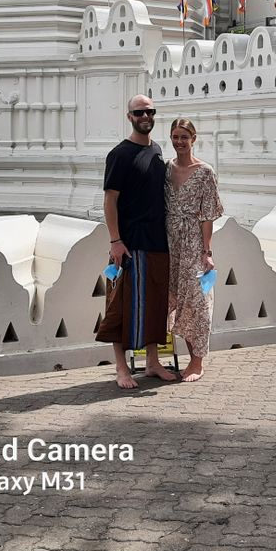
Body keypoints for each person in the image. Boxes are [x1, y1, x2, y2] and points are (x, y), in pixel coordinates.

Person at [95, 94, 177, 389]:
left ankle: (153, 363)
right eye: (140, 112)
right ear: (129, 117)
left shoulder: (156, 150)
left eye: (150, 111)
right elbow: (110, 200)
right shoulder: (120, 154)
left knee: (156, 305)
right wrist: (115, 240)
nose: (146, 116)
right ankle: (121, 368)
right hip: (129, 245)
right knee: (120, 306)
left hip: (157, 243)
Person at [165, 118, 223, 381]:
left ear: (193, 139)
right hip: (168, 242)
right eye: (175, 137)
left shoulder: (205, 172)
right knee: (175, 298)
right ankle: (176, 359)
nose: (179, 142)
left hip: (193, 243)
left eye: (184, 137)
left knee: (197, 301)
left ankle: (197, 362)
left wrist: (207, 252)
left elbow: (208, 215)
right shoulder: (166, 169)